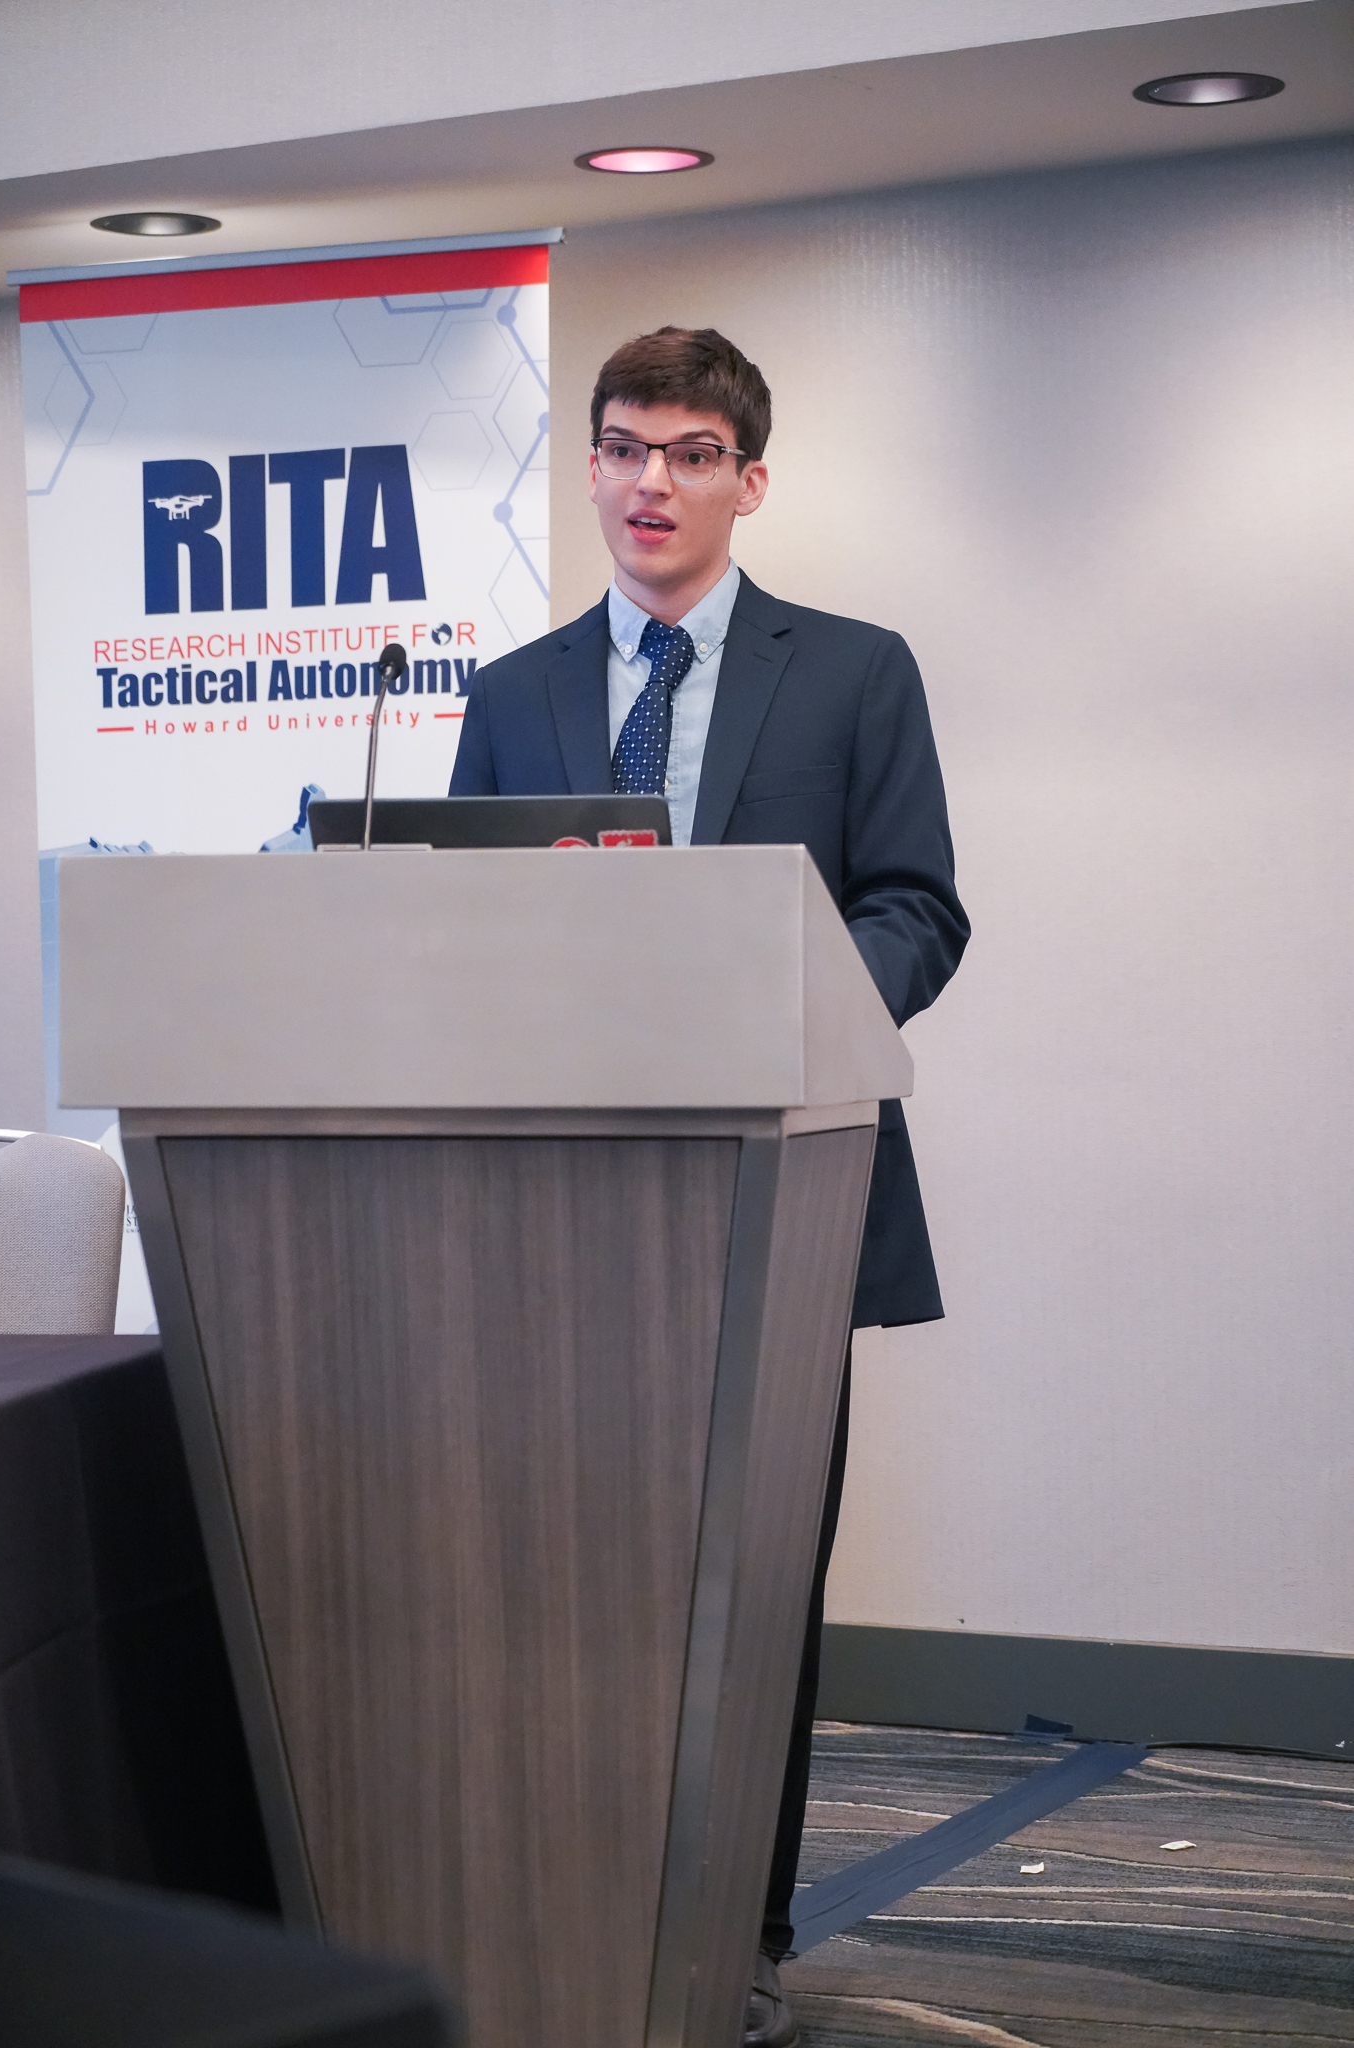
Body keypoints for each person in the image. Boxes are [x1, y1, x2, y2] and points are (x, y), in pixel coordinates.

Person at [450, 326, 969, 2047]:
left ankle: (736, 1928)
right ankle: (555, 1904)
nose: (648, 482)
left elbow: (915, 906)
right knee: (561, 1572)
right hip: (555, 1206)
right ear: (591, 469)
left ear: (748, 481)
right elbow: (453, 928)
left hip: (775, 1181)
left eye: (686, 453)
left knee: (747, 1582)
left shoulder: (854, 672)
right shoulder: (510, 693)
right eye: (621, 447)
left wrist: (797, 1010)